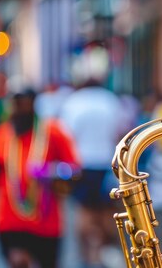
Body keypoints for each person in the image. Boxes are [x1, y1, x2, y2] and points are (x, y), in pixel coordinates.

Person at [0, 89, 80, 268]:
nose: (19, 109)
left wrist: (51, 171)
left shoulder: (53, 132)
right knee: (17, 262)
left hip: (45, 223)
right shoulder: (2, 133)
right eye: (16, 104)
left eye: (23, 104)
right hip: (10, 222)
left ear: (33, 105)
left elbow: (74, 170)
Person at [59, 78, 127, 267]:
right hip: (108, 164)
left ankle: (87, 257)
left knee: (84, 213)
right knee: (108, 214)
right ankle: (105, 254)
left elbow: (66, 135)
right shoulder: (111, 100)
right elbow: (121, 133)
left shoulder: (74, 102)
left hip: (83, 164)